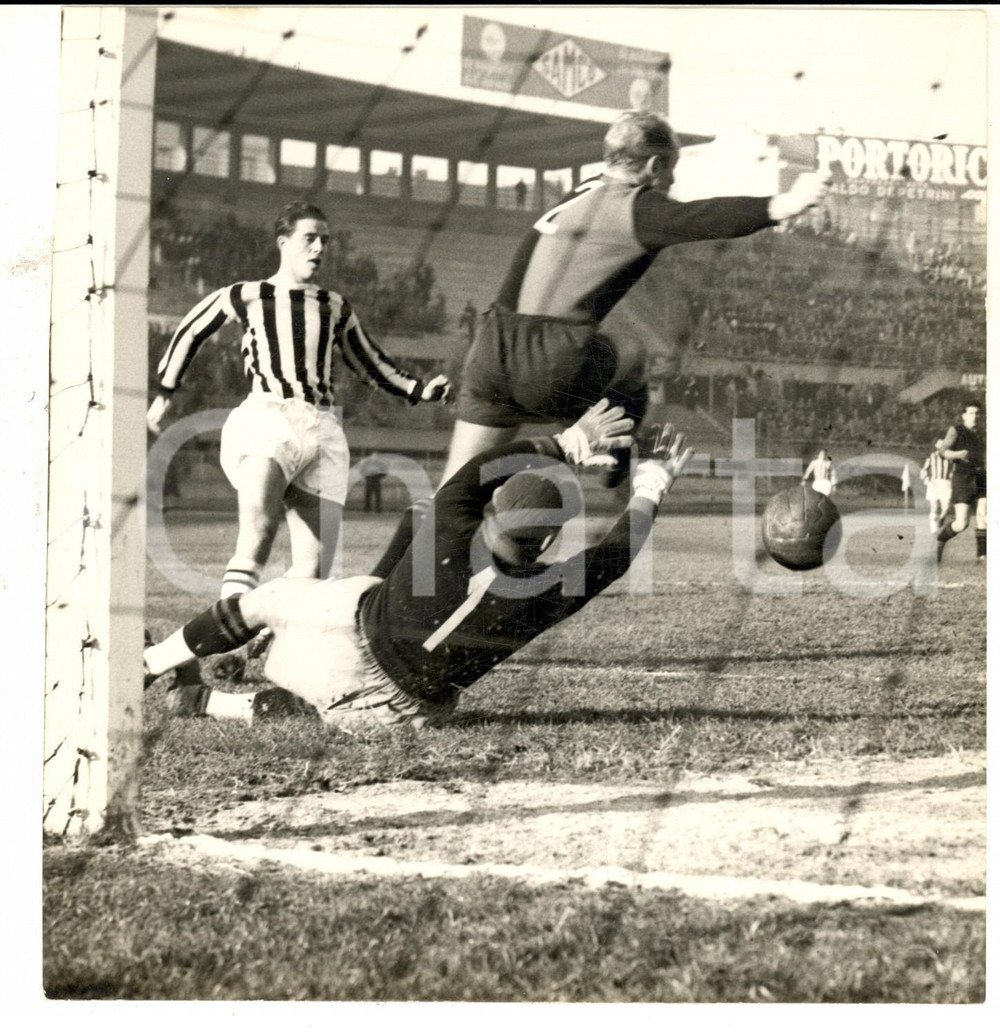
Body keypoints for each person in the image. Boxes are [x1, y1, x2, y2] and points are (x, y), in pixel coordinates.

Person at [143, 401, 693, 728]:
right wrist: (652, 482)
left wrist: (568, 442)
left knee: (270, 599)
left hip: (345, 633)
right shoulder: (545, 592)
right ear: (548, 541)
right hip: (398, 708)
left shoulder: (453, 519)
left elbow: (483, 463)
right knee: (327, 710)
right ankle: (208, 703)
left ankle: (152, 661)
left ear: (494, 507)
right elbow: (615, 557)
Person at [439, 109, 830, 488]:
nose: (673, 182)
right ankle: (614, 449)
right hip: (548, 355)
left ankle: (415, 552)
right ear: (655, 165)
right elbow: (700, 218)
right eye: (671, 169)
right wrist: (783, 205)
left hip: (491, 347)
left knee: (455, 490)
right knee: (632, 356)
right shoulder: (634, 204)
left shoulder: (582, 192)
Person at [146, 201, 453, 612]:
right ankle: (225, 635)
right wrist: (165, 391)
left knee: (314, 571)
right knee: (258, 530)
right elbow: (190, 331)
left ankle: (261, 626)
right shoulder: (247, 294)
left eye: (324, 240)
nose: (318, 248)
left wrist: (421, 389)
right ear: (283, 242)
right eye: (309, 238)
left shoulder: (335, 306)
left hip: (323, 428)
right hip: (268, 417)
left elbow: (372, 363)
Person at [936, 401, 986, 562]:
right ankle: (940, 540)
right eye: (971, 413)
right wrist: (959, 455)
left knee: (984, 515)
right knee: (961, 523)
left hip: (981, 476)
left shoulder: (985, 432)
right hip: (963, 478)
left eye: (978, 413)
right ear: (964, 416)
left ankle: (982, 556)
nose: (975, 417)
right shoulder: (957, 430)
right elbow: (943, 452)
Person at [919, 438, 953, 534]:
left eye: (943, 444)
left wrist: (951, 478)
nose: (942, 446)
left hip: (946, 483)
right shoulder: (932, 456)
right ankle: (933, 527)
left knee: (946, 507)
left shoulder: (949, 457)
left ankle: (941, 519)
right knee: (934, 506)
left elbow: (952, 471)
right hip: (934, 483)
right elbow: (924, 469)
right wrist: (926, 479)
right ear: (937, 446)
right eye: (940, 444)